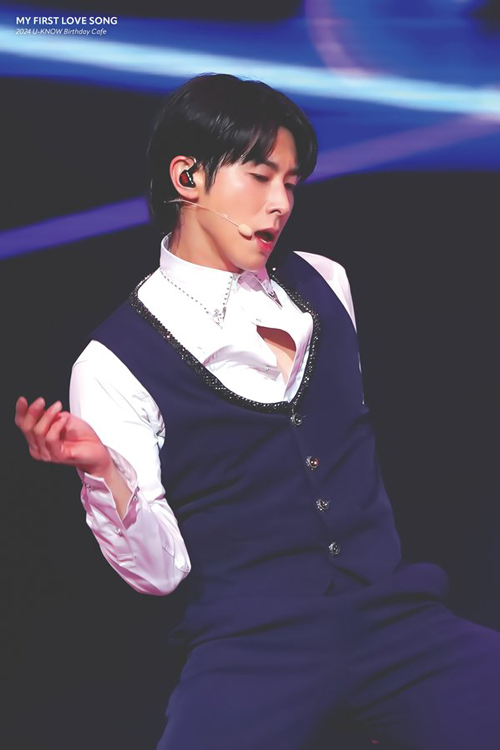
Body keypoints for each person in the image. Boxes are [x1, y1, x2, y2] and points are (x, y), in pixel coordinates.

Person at [15, 73, 500, 749]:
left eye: (291, 184)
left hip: (397, 621)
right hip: (252, 650)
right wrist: (103, 471)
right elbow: (158, 576)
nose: (280, 204)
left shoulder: (325, 282)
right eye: (260, 176)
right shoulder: (112, 363)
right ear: (188, 177)